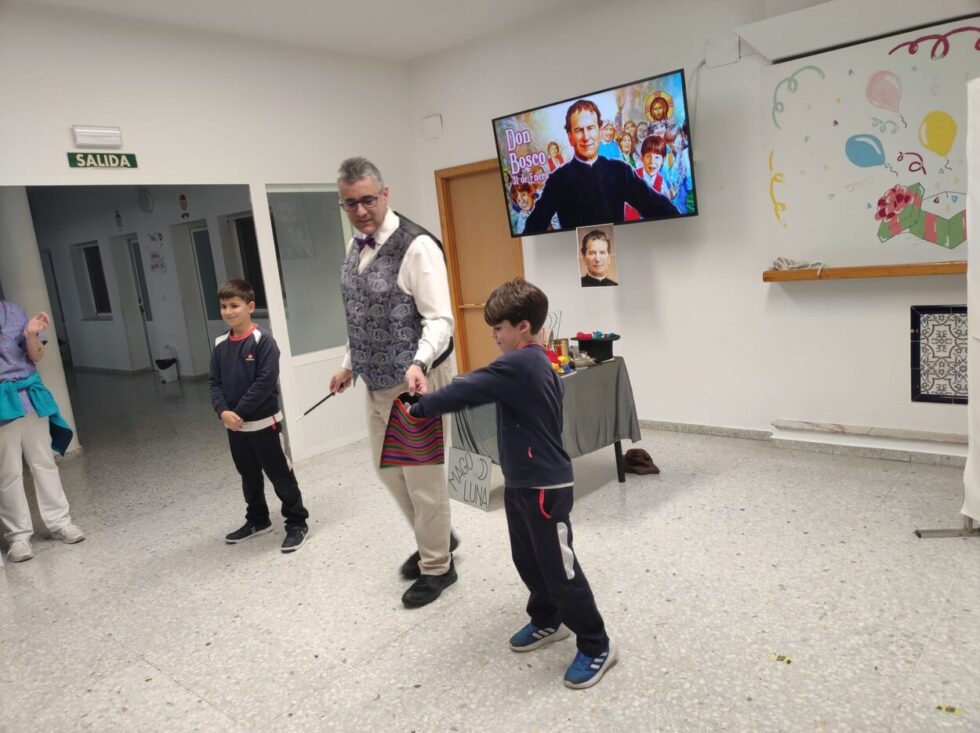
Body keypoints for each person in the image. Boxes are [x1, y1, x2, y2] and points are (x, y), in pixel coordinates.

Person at [408, 279, 616, 689]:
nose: (494, 336)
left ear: (523, 327)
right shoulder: (527, 363)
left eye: (498, 328)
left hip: (545, 488)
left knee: (559, 569)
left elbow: (468, 389)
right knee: (530, 560)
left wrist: (420, 407)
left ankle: (597, 644)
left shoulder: (522, 364)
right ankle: (547, 619)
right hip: (521, 482)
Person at [329, 156, 458, 609]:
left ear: (385, 194)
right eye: (350, 204)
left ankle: (438, 565)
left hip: (415, 380)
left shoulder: (416, 246)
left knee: (423, 480)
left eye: (368, 200)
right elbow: (361, 314)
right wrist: (348, 364)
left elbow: (439, 319)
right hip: (374, 380)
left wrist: (420, 361)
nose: (361, 210)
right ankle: (439, 534)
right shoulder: (355, 246)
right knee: (386, 470)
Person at [210, 279, 310, 553]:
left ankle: (297, 522)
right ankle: (258, 520)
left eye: (234, 305)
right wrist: (223, 412)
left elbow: (265, 383)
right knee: (248, 475)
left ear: (250, 307)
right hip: (235, 428)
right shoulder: (220, 343)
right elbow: (214, 383)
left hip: (265, 425)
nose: (228, 311)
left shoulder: (263, 341)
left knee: (280, 475)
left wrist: (238, 412)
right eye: (223, 306)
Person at [0, 301, 84, 563]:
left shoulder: (14, 311)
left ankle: (60, 522)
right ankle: (18, 536)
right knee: (8, 472)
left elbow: (36, 356)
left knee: (44, 462)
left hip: (31, 397)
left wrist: (31, 334)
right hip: (2, 402)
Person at [522, 99, 677, 235]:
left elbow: (653, 204)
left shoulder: (620, 171)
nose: (586, 137)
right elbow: (534, 225)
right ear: (570, 137)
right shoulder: (558, 180)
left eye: (590, 128)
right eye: (579, 130)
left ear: (599, 131)